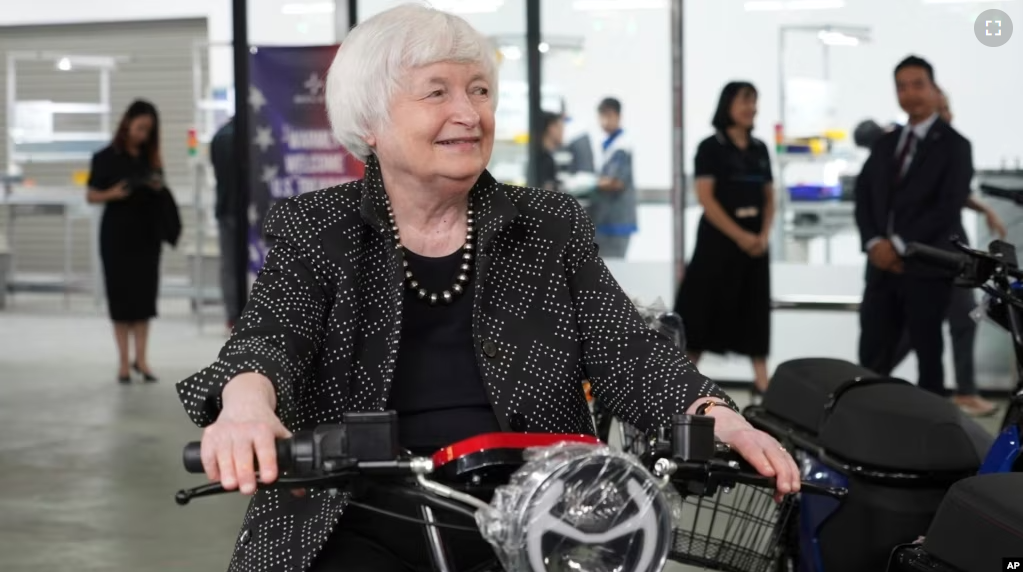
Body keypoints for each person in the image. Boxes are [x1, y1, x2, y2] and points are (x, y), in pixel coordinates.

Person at [175, 6, 801, 572]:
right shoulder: (315, 227)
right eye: (436, 93)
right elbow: (270, 338)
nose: (469, 114)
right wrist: (247, 405)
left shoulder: (548, 223)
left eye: (479, 91)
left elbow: (625, 348)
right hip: (356, 510)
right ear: (371, 122)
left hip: (540, 513)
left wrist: (716, 416)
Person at [854, 55, 974, 395]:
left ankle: (930, 439)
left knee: (928, 359)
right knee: (871, 359)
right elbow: (864, 197)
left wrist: (900, 244)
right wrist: (874, 241)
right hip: (880, 269)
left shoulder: (955, 146)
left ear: (935, 89)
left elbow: (947, 207)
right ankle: (863, 431)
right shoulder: (885, 144)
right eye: (901, 87)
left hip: (925, 267)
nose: (910, 94)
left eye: (918, 85)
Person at [888, 86, 1003, 416]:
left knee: (960, 321)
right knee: (920, 328)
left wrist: (986, 211)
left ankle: (964, 391)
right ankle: (870, 373)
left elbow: (955, 193)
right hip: (935, 253)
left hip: (952, 252)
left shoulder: (950, 144)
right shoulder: (916, 147)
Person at [674, 82, 775, 393]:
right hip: (718, 244)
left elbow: (770, 197)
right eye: (745, 101)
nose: (751, 108)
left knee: (754, 310)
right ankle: (682, 382)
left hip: (754, 245)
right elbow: (706, 198)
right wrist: (740, 235)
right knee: (702, 309)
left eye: (754, 101)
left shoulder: (759, 149)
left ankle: (763, 382)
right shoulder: (710, 148)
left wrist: (761, 235)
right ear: (728, 105)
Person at [86, 99, 166, 384]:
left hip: (146, 235)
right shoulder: (105, 157)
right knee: (121, 301)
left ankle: (141, 360)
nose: (143, 135)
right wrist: (113, 194)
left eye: (148, 131)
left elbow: (160, 188)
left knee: (144, 300)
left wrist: (156, 184)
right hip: (117, 236)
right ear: (127, 123)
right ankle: (122, 363)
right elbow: (91, 194)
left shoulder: (150, 158)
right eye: (140, 128)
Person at [591, 97, 637, 258]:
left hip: (616, 222)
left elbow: (616, 182)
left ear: (618, 116)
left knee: (613, 271)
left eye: (608, 115)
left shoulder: (622, 146)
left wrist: (590, 183)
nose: (604, 121)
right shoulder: (607, 144)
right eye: (601, 116)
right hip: (605, 220)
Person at [209, 117, 243, 332]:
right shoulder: (243, 136)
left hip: (225, 208)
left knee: (229, 266)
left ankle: (232, 317)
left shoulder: (219, 136)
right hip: (244, 209)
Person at [538, 111, 564, 192]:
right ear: (552, 128)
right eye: (560, 127)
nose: (563, 132)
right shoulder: (545, 160)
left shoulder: (543, 156)